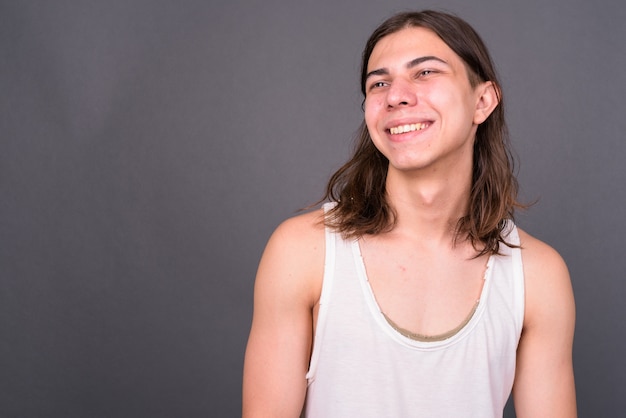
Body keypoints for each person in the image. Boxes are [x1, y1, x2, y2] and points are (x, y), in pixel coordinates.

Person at [242, 10, 576, 418]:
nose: (395, 95)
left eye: (425, 73)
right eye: (379, 82)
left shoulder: (538, 276)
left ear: (482, 101)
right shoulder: (302, 251)